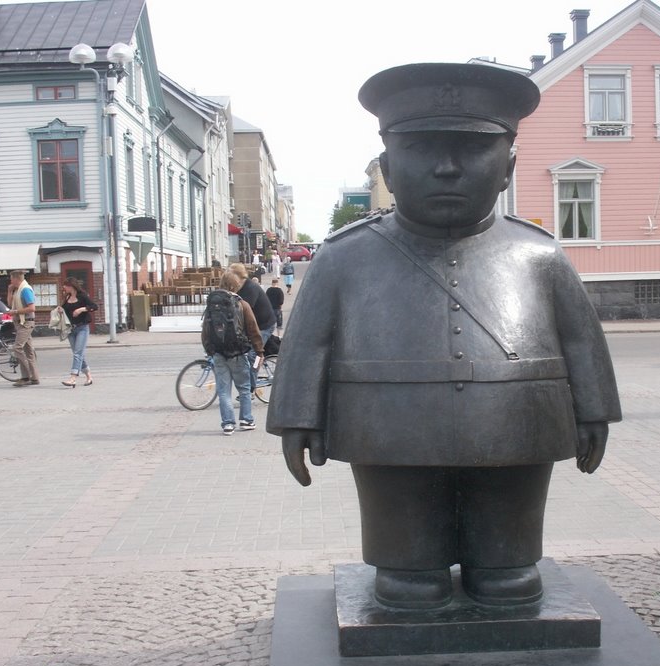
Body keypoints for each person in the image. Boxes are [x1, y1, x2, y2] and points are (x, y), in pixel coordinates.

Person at [268, 63, 620, 610]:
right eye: (423, 150)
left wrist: (594, 409)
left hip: (515, 426)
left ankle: (502, 557)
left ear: (508, 166)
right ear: (387, 165)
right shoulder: (344, 257)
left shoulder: (540, 255)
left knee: (509, 578)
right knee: (410, 583)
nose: (448, 169)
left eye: (470, 150)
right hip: (389, 431)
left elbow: (580, 339)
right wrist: (295, 416)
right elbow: (308, 341)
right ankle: (411, 562)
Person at [202, 272, 264, 435]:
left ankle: (228, 424)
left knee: (223, 390)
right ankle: (246, 420)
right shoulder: (242, 304)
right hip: (238, 352)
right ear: (236, 285)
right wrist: (259, 351)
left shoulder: (212, 305)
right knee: (244, 388)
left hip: (219, 353)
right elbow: (253, 330)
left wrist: (210, 350)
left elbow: (205, 330)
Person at [228, 262, 276, 392]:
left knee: (253, 356)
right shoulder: (239, 288)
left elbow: (244, 313)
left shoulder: (251, 288)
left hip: (265, 325)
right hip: (255, 325)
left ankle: (251, 389)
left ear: (238, 276)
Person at [59, 277, 98, 387]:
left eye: (66, 286)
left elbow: (94, 306)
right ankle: (89, 376)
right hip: (71, 329)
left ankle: (73, 378)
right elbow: (64, 309)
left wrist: (81, 309)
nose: (64, 287)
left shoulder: (82, 296)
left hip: (82, 328)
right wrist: (60, 310)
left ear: (71, 286)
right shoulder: (67, 297)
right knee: (79, 354)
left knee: (77, 354)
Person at [7, 269, 40, 386]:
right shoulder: (17, 290)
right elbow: (9, 303)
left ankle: (27, 376)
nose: (10, 281)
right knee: (28, 351)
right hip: (21, 322)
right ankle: (34, 377)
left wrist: (15, 311)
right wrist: (9, 291)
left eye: (11, 278)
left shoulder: (25, 289)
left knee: (17, 348)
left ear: (16, 279)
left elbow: (32, 308)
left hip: (26, 323)